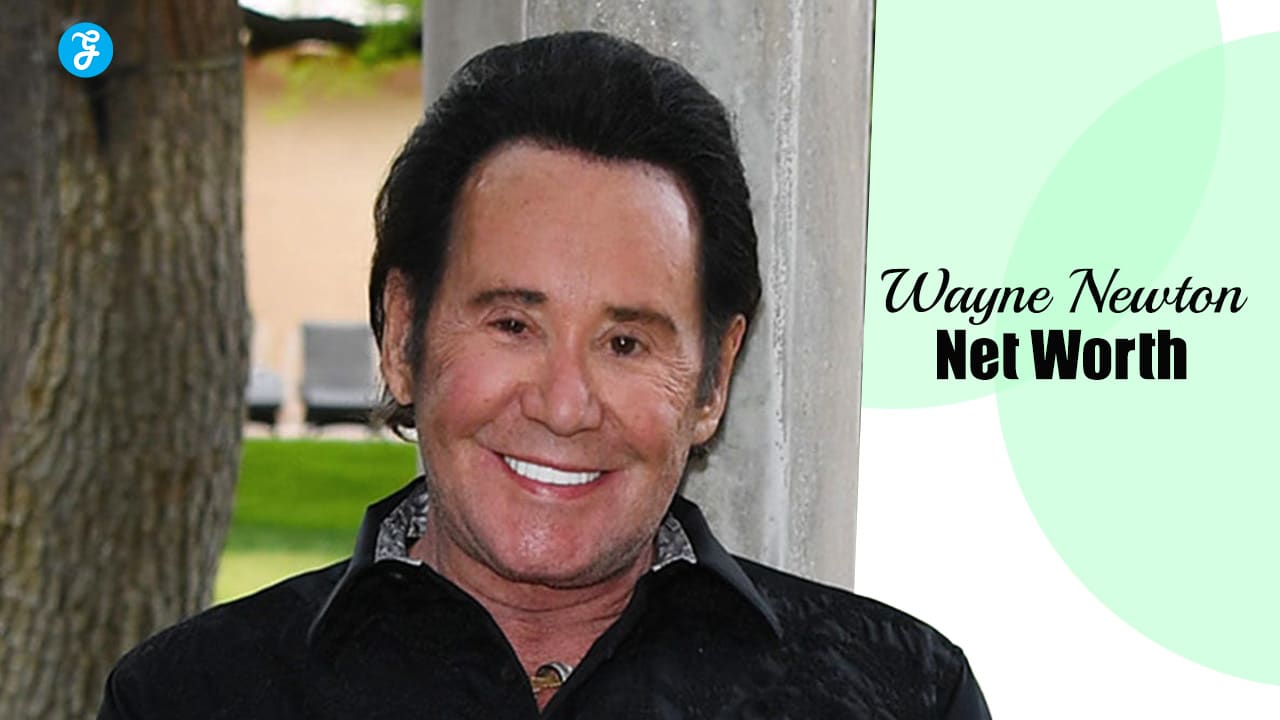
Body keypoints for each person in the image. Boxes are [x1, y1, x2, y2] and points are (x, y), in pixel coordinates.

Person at [98, 31, 991, 719]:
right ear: (403, 333)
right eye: (514, 325)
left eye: (626, 343)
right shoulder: (189, 698)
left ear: (714, 380)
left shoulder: (903, 696)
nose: (565, 406)